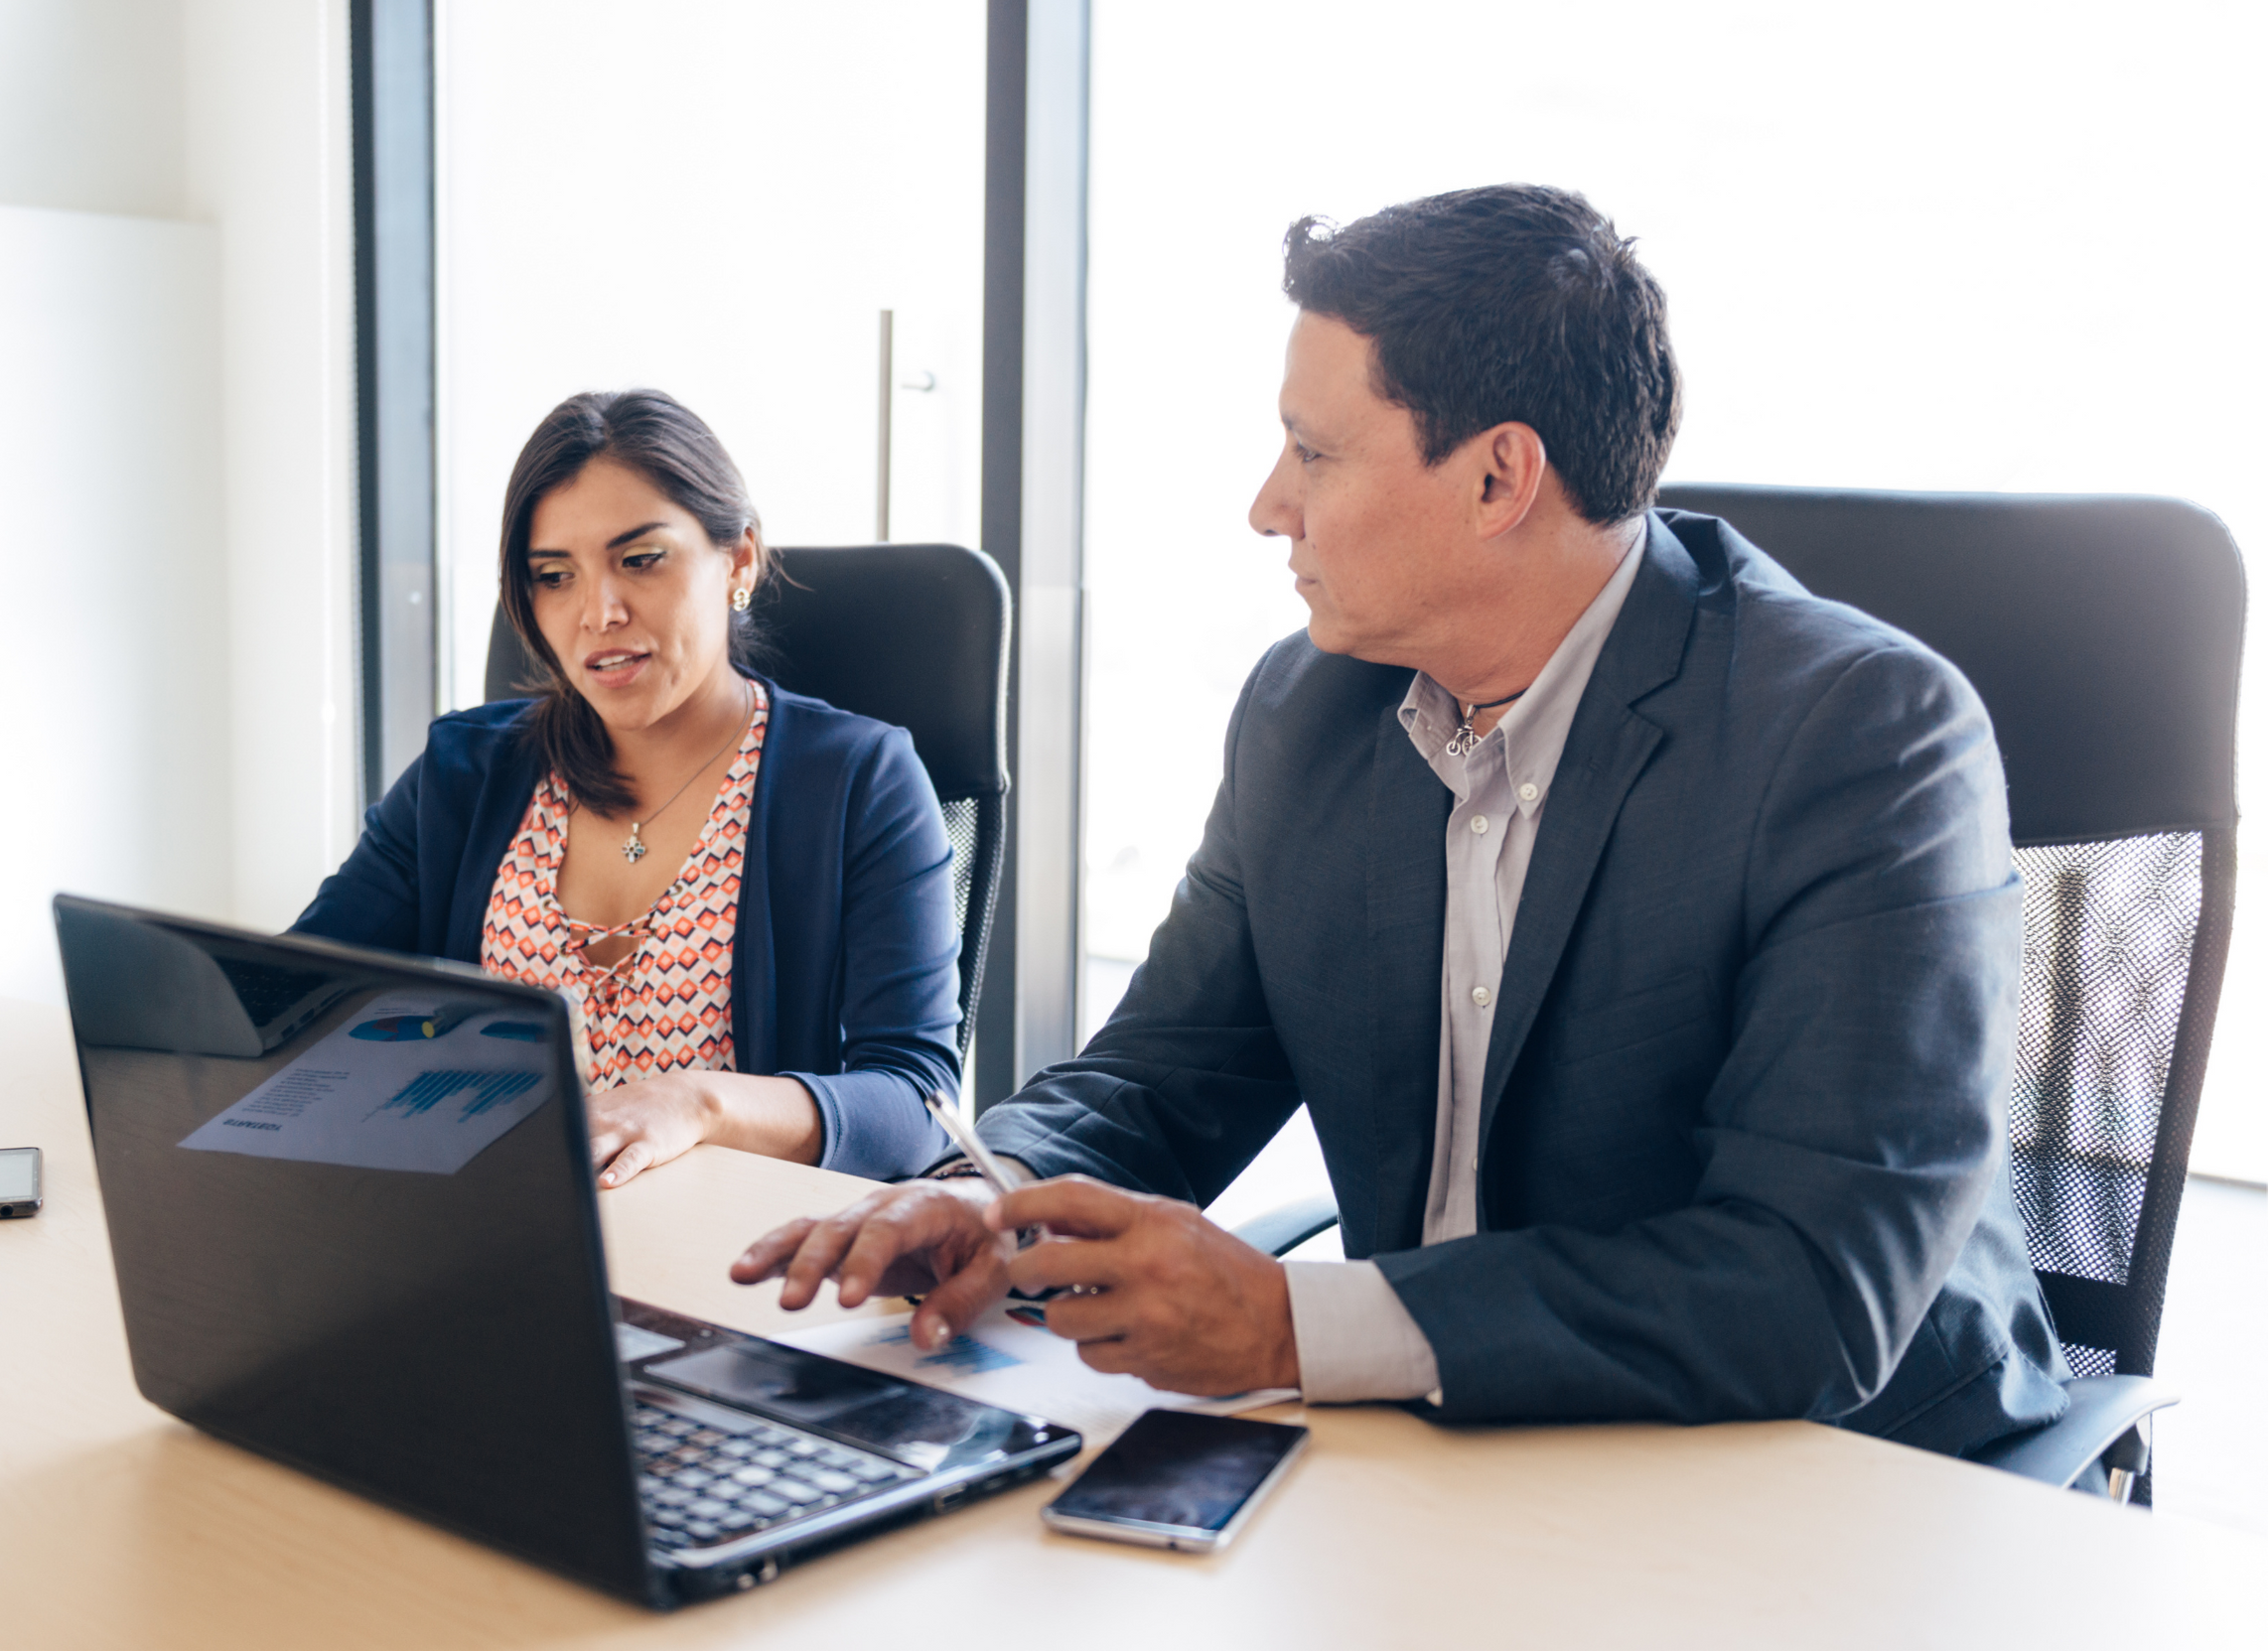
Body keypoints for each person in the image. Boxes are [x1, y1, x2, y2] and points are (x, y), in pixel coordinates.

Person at [734, 185, 2072, 1458]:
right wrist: (994, 1195)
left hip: (1831, 1470)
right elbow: (1160, 1071)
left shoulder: (1861, 736)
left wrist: (1287, 1320)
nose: (1266, 505)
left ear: (1498, 478)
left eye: (1312, 453)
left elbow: (1806, 1284)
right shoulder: (1304, 712)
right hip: (1448, 1448)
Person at [295, 389, 962, 1187]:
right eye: (554, 576)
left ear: (738, 560)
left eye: (640, 559)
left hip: (739, 1258)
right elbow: (299, 1003)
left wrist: (698, 1103)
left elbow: (917, 1103)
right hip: (499, 1236)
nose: (597, 612)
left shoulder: (858, 781)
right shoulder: (464, 774)